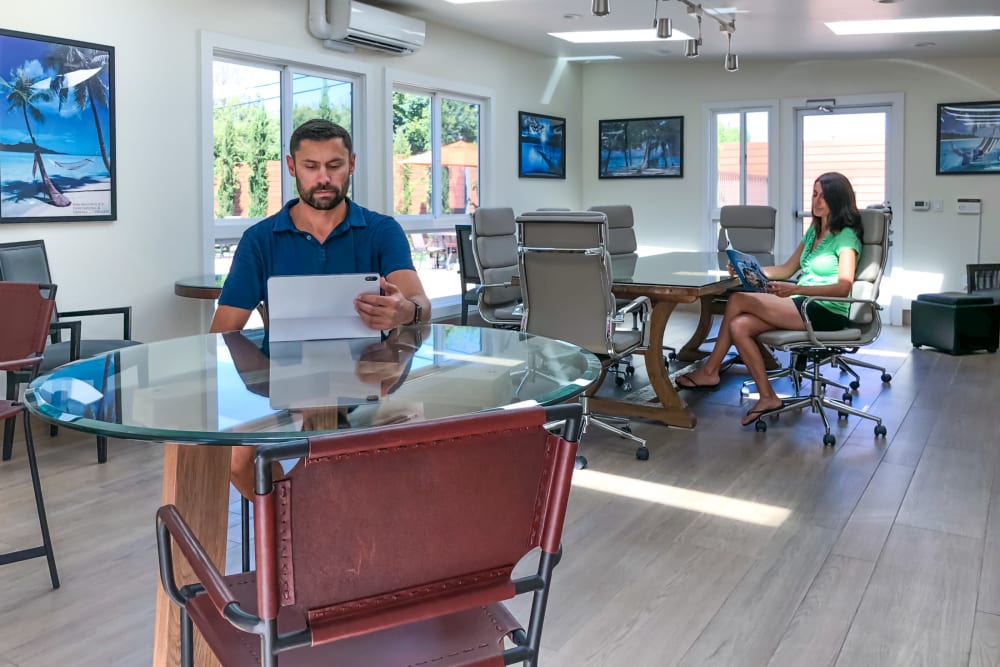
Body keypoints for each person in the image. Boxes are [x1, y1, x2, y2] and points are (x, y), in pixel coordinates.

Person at [210, 118, 431, 497]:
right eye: (311, 167)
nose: (323, 178)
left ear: (352, 165)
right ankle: (295, 525)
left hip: (368, 379)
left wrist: (403, 311)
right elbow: (223, 332)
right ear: (292, 167)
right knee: (238, 458)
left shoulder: (381, 230)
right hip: (284, 382)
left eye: (334, 165)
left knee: (418, 434)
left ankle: (341, 523)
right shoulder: (260, 240)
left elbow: (420, 306)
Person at [675, 172, 863, 426]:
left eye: (824, 197)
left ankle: (710, 370)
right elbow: (786, 269)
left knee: (738, 300)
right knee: (738, 326)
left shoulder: (846, 237)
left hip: (825, 311)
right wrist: (750, 269)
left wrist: (795, 291)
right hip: (803, 305)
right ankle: (767, 397)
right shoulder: (814, 233)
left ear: (838, 200)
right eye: (815, 194)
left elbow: (843, 287)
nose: (816, 202)